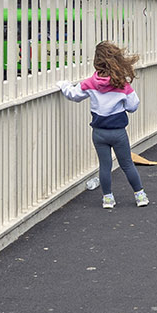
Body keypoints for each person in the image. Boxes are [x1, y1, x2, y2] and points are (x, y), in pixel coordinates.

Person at [60, 41, 148, 210]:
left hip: (99, 133)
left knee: (105, 166)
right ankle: (140, 195)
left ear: (96, 61)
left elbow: (74, 95)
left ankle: (108, 199)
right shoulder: (122, 84)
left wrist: (63, 85)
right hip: (118, 132)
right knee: (127, 164)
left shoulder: (90, 83)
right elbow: (133, 106)